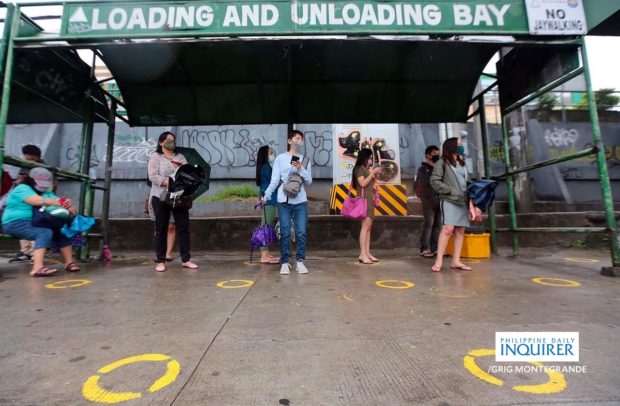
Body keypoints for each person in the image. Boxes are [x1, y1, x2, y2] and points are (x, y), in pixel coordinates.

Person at [2, 167, 79, 277]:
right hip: (15, 223)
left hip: (36, 222)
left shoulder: (45, 192)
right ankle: (37, 268)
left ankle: (69, 263)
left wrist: (69, 206)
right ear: (31, 180)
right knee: (44, 232)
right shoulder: (22, 188)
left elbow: (58, 201)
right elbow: (37, 201)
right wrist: (59, 202)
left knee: (61, 231)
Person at [261, 130, 312, 275]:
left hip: (300, 200)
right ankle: (284, 262)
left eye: (301, 139)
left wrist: (300, 169)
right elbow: (275, 180)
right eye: (297, 138)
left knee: (301, 232)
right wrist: (267, 194)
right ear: (290, 141)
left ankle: (300, 261)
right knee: (284, 232)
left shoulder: (305, 159)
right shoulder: (280, 158)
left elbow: (309, 181)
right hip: (283, 200)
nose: (299, 141)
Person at [148, 131, 198, 272]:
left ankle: (186, 259)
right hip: (161, 196)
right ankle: (160, 260)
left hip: (179, 196)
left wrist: (180, 170)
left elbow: (188, 175)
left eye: (173, 140)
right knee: (161, 228)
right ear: (161, 142)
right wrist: (169, 181)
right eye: (169, 140)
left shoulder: (180, 157)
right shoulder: (155, 157)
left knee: (183, 227)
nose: (172, 142)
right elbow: (153, 176)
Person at [430, 137, 473, 273]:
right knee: (448, 228)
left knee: (460, 231)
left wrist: (471, 203)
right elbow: (434, 181)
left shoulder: (463, 163)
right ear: (452, 146)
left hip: (463, 201)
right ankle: (439, 261)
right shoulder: (442, 163)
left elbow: (468, 183)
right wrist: (449, 190)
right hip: (449, 200)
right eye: (459, 144)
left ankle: (456, 261)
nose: (461, 146)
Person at [9, 145, 45, 263]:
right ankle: (25, 251)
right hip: (24, 198)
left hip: (37, 198)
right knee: (24, 222)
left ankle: (36, 253)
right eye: (27, 158)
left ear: (38, 157)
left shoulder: (43, 167)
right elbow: (20, 181)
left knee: (36, 224)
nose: (28, 160)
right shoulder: (24, 166)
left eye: (31, 158)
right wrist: (18, 182)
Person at [351, 148, 382, 264]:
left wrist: (375, 174)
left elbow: (371, 182)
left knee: (368, 226)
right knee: (365, 226)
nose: (370, 160)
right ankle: (363, 254)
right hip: (364, 200)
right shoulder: (359, 169)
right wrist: (372, 173)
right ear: (364, 157)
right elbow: (362, 184)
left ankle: (367, 253)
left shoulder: (365, 169)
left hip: (369, 199)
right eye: (369, 158)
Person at [415, 145, 441, 258]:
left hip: (439, 200)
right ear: (428, 155)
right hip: (428, 200)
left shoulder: (440, 168)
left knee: (437, 225)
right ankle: (424, 248)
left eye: (437, 153)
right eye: (434, 153)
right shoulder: (422, 169)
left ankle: (435, 248)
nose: (437, 155)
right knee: (429, 224)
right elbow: (426, 182)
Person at [256, 145, 280, 264]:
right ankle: (263, 255)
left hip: (269, 199)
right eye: (270, 153)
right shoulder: (266, 167)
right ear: (265, 155)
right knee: (264, 227)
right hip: (268, 200)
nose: (272, 155)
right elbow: (274, 181)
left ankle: (266, 253)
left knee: (266, 226)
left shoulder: (265, 166)